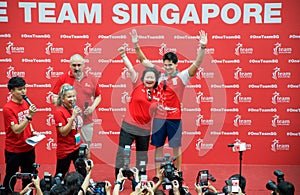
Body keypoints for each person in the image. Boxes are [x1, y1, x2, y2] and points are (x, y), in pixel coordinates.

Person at [130, 29, 208, 176]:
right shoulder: (158, 75)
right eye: (165, 64)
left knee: (176, 147)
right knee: (158, 146)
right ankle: (159, 174)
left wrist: (202, 47)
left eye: (170, 65)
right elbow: (143, 60)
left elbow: (196, 64)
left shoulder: (183, 77)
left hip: (174, 118)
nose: (167, 67)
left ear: (176, 65)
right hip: (159, 118)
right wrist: (135, 44)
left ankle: (178, 172)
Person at [114, 46, 161, 190]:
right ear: (143, 78)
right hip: (129, 126)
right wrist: (123, 55)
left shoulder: (159, 92)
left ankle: (141, 181)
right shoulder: (137, 85)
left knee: (142, 157)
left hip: (145, 129)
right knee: (122, 153)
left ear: (155, 80)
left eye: (152, 78)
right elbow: (130, 68)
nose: (149, 79)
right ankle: (119, 180)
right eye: (147, 77)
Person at [51, 54, 101, 159]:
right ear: (70, 65)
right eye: (74, 65)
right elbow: (54, 97)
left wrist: (92, 108)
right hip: (68, 121)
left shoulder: (91, 78)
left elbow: (98, 96)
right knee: (66, 152)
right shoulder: (63, 78)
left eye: (79, 65)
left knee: (86, 149)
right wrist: (65, 108)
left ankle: (87, 174)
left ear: (84, 65)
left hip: (86, 121)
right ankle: (66, 174)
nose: (77, 68)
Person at [2, 76, 40, 194]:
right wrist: (29, 116)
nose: (23, 91)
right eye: (19, 89)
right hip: (14, 150)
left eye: (24, 88)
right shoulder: (8, 108)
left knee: (29, 177)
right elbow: (16, 130)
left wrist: (33, 131)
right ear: (12, 91)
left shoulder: (25, 103)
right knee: (11, 177)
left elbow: (28, 124)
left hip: (28, 147)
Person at [54, 83, 83, 178]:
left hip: (76, 146)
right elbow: (63, 132)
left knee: (82, 174)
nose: (73, 99)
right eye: (69, 97)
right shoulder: (59, 112)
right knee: (60, 176)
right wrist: (73, 117)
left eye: (74, 96)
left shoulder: (74, 109)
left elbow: (77, 128)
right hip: (65, 149)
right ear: (62, 99)